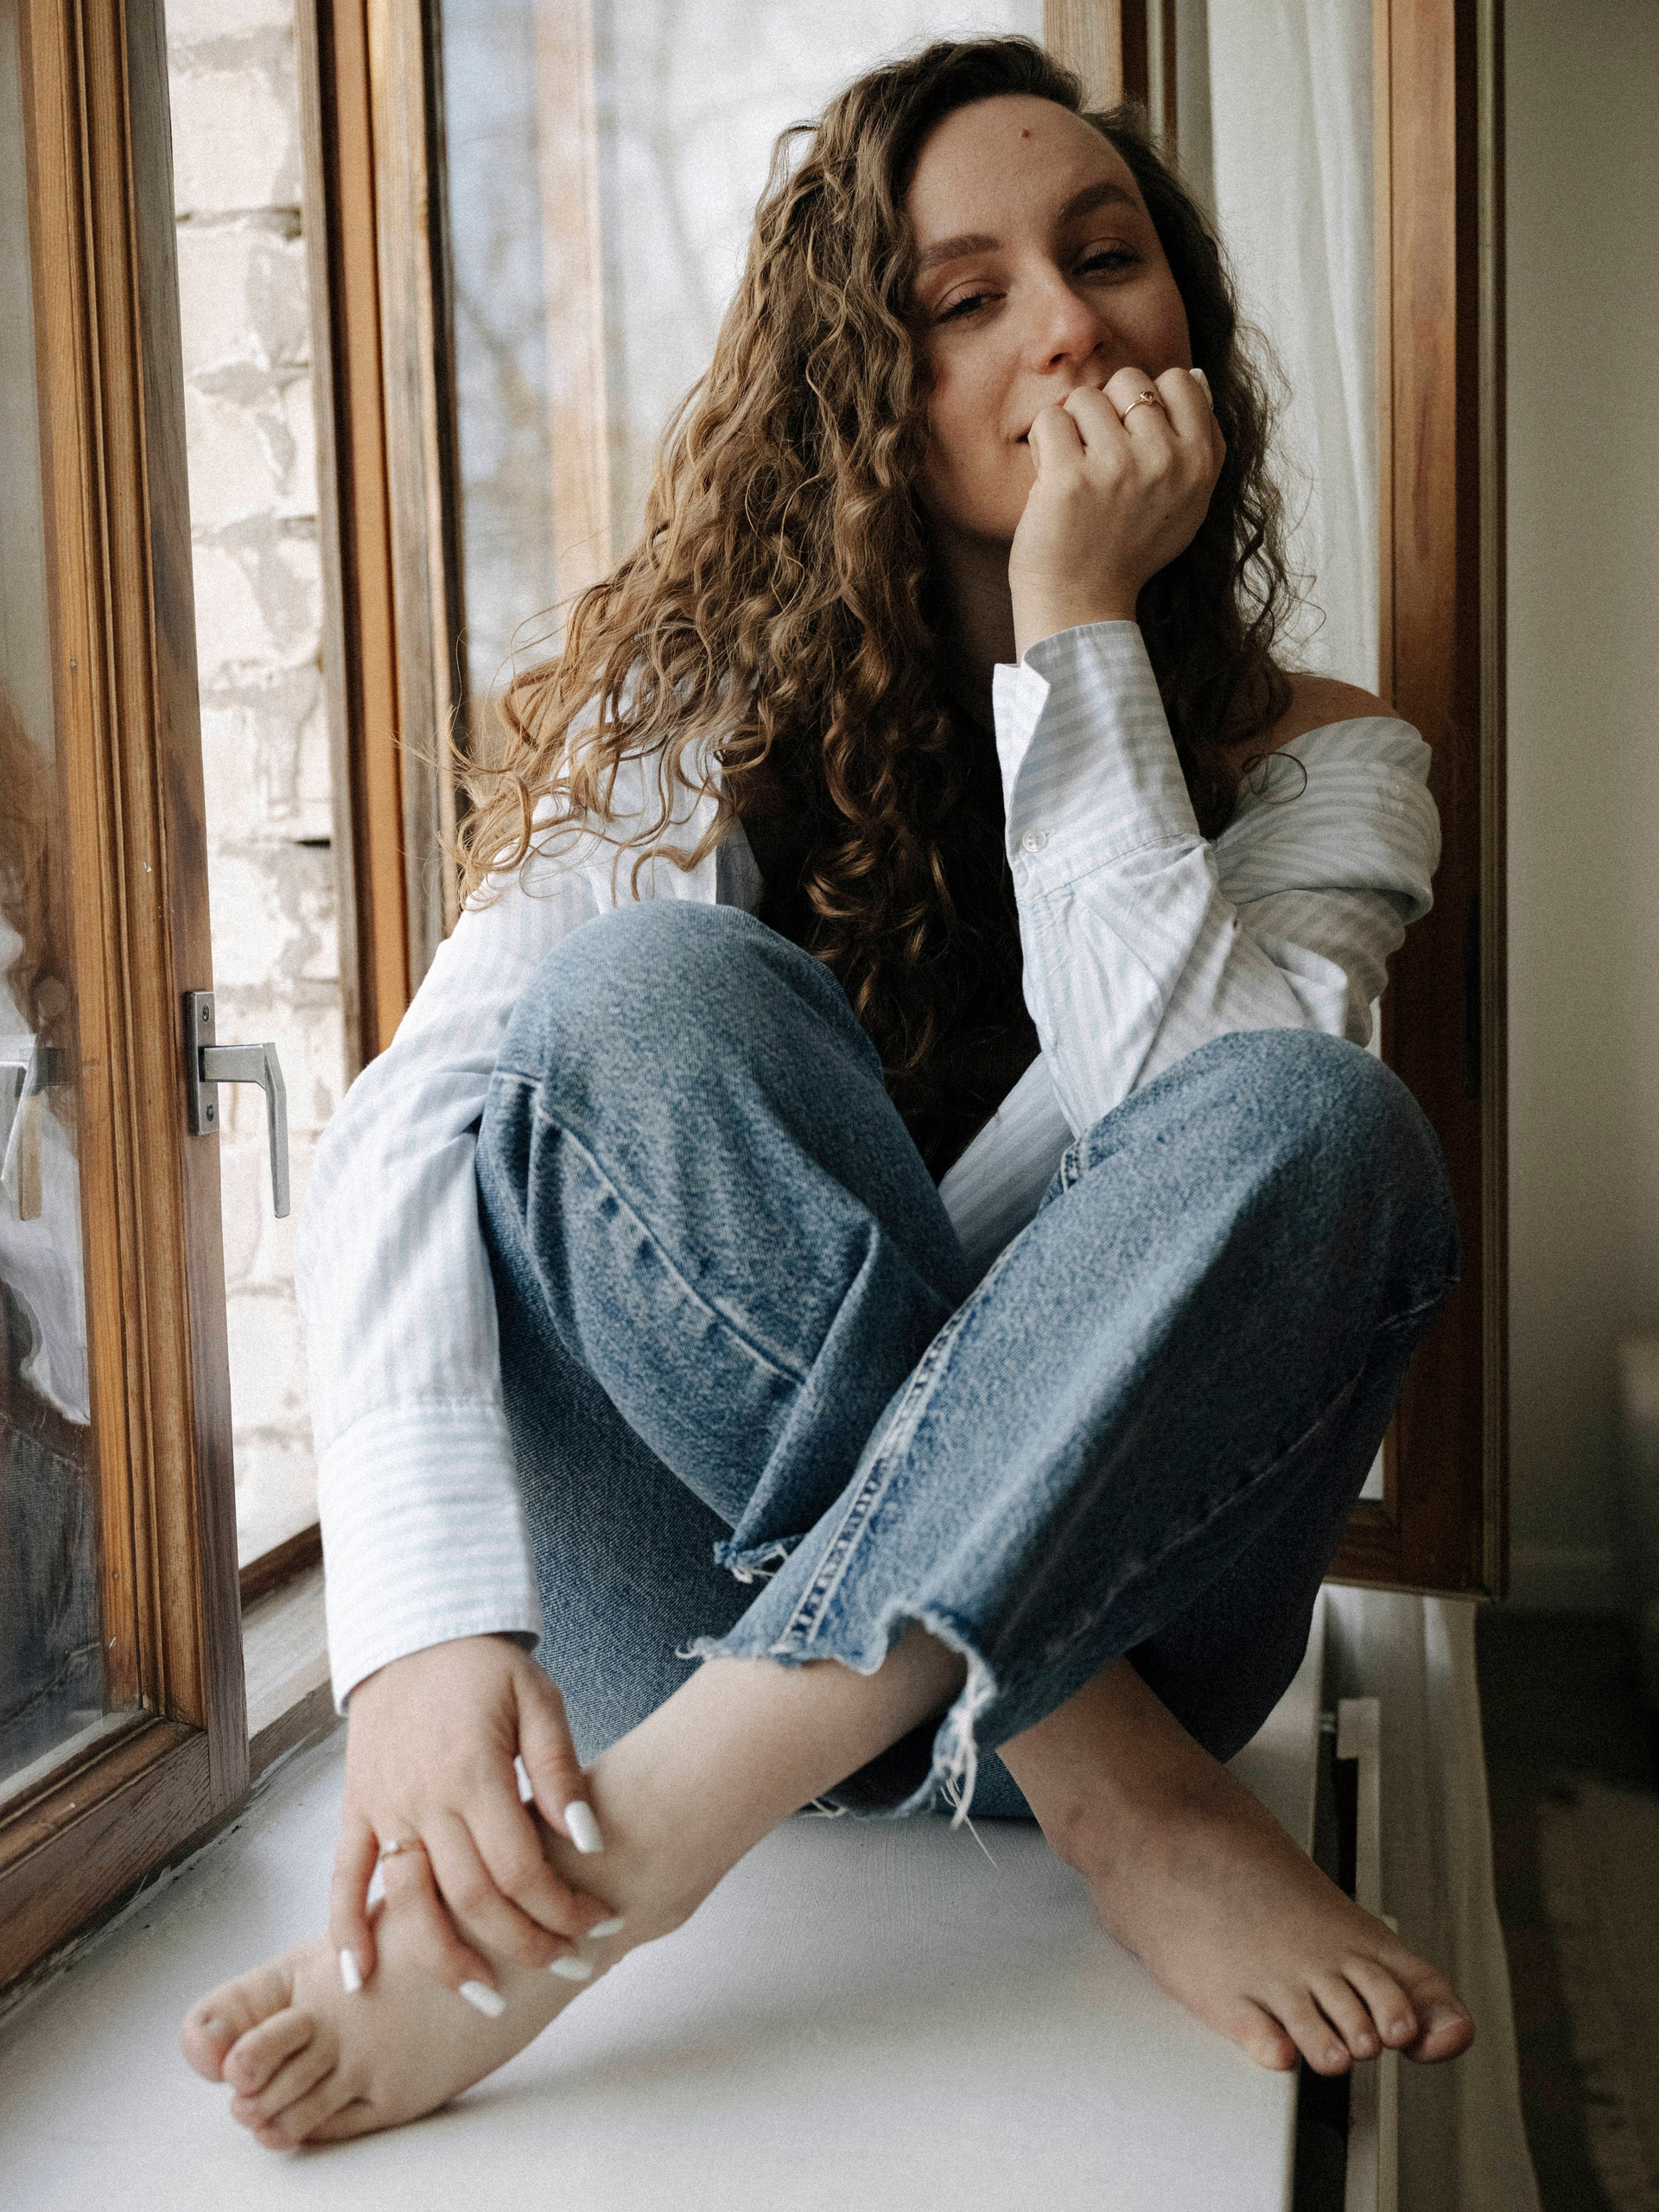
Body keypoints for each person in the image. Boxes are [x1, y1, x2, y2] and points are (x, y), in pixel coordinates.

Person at [182, 37, 1473, 2147]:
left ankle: (621, 1865)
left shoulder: (1331, 761)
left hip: (1136, 1588)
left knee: (1322, 1127)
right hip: (687, 1602)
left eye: (1109, 258)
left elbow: (1211, 1162)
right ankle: (1118, 1792)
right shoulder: (692, 700)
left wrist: (1077, 634)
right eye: (969, 296)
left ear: (1187, 322)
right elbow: (427, 1112)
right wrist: (417, 1637)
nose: (1070, 326)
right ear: (865, 386)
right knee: (645, 992)